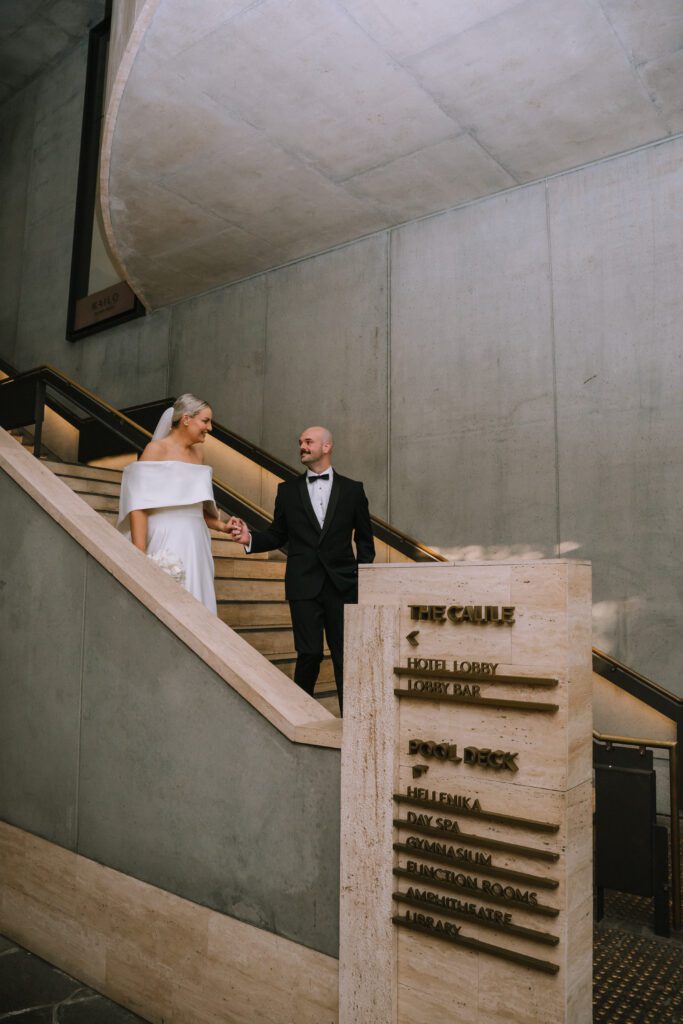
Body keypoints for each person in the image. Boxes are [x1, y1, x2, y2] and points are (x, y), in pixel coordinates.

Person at [228, 426, 374, 713]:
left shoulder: (353, 490)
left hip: (342, 586)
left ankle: (352, 720)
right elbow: (277, 534)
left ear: (327, 446)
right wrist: (250, 538)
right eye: (300, 442)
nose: (302, 446)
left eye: (309, 442)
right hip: (303, 585)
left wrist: (362, 579)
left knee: (346, 655)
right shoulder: (287, 491)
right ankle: (300, 716)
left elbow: (365, 540)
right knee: (309, 653)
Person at [117, 394, 232, 613]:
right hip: (167, 537)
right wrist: (139, 556)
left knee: (199, 602)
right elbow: (139, 505)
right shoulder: (155, 450)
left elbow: (195, 506)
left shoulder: (199, 454)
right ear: (186, 419)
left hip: (197, 539)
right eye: (205, 421)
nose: (210, 428)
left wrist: (222, 526)